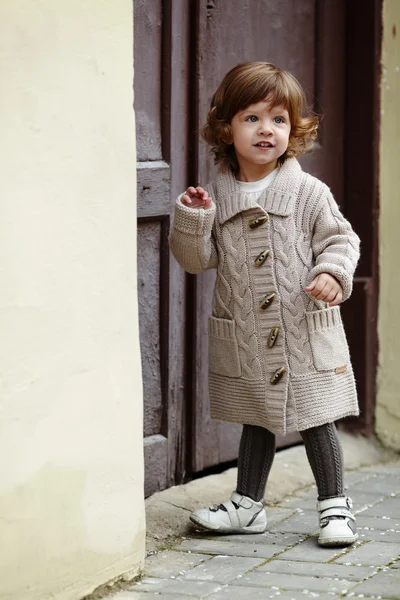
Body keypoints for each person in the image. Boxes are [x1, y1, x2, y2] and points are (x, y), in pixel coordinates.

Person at [169, 62, 361, 547]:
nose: (266, 130)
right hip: (250, 334)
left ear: (293, 130)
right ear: (225, 127)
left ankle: (335, 506)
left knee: (316, 415)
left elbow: (341, 239)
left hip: (303, 328)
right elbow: (198, 259)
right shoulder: (216, 197)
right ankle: (248, 506)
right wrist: (193, 220)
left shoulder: (308, 193)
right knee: (257, 415)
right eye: (252, 118)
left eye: (278, 120)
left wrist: (331, 273)